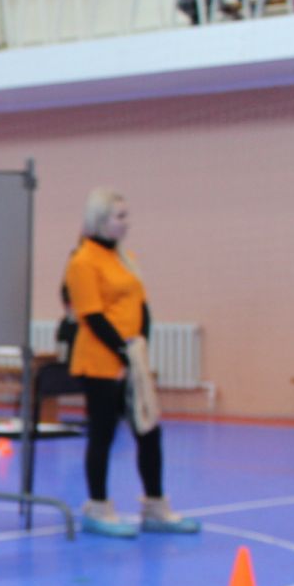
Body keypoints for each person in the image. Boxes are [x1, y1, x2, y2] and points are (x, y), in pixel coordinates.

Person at [63, 189, 201, 538]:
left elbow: (142, 308)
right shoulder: (83, 261)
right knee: (103, 433)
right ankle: (98, 507)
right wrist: (122, 352)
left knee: (149, 431)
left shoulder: (125, 258)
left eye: (127, 215)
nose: (126, 222)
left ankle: (155, 507)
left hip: (132, 360)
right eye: (119, 216)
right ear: (99, 219)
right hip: (100, 362)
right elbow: (92, 316)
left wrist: (139, 349)